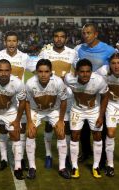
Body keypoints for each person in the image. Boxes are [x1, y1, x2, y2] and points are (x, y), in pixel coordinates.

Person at [0, 31, 36, 171]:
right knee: (2, 129)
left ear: (18, 42)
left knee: (19, 130)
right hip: (1, 98)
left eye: (14, 41)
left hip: (18, 100)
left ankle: (20, 159)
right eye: (9, 40)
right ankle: (3, 158)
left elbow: (37, 69)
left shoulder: (24, 57)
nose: (11, 43)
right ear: (5, 42)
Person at [75, 23, 115, 165]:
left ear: (96, 34)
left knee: (100, 126)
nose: (86, 35)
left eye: (89, 33)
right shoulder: (80, 49)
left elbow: (117, 66)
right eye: (84, 33)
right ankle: (86, 152)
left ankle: (103, 157)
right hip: (85, 93)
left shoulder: (109, 50)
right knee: (84, 126)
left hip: (102, 93)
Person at [38, 28, 78, 168]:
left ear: (66, 39)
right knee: (49, 124)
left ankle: (66, 155)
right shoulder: (45, 52)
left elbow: (77, 72)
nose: (59, 39)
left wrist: (68, 79)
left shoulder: (73, 53)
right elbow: (39, 70)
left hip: (67, 94)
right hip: (50, 93)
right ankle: (48, 155)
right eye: (56, 36)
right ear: (53, 38)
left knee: (66, 126)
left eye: (62, 36)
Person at [25, 59, 70, 179]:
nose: (43, 74)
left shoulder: (58, 82)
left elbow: (64, 101)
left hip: (53, 111)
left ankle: (62, 167)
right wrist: (29, 122)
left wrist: (61, 121)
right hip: (36, 111)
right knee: (31, 132)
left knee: (61, 133)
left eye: (46, 71)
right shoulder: (30, 83)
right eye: (40, 71)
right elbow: (27, 102)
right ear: (36, 72)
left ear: (51, 72)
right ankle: (32, 167)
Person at [65, 59, 109, 178]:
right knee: (74, 136)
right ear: (76, 72)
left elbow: (105, 97)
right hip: (77, 110)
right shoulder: (69, 79)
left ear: (92, 71)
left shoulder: (99, 81)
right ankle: (74, 166)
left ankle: (96, 166)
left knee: (97, 136)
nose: (85, 74)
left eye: (88, 71)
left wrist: (101, 116)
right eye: (82, 71)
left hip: (94, 111)